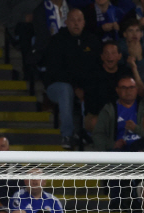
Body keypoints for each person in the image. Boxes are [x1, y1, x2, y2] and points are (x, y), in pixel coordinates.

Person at [43, 8, 102, 148]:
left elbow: (95, 68)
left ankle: (88, 133)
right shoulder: (57, 41)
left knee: (96, 86)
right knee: (66, 89)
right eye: (73, 20)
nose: (76, 24)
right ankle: (67, 135)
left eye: (79, 20)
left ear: (84, 23)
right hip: (57, 86)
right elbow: (55, 71)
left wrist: (82, 87)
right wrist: (76, 87)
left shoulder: (92, 41)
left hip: (83, 85)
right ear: (66, 22)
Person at [94, 76, 144, 151]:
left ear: (136, 89)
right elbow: (97, 135)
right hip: (117, 153)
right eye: (124, 88)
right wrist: (112, 144)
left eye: (131, 87)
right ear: (117, 90)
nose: (128, 91)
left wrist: (136, 129)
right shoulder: (108, 109)